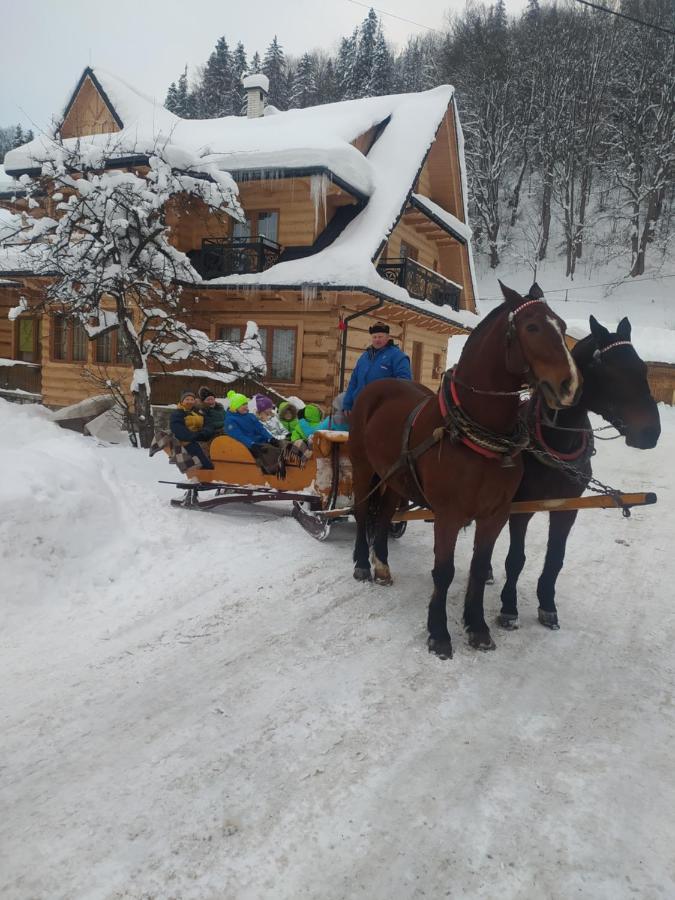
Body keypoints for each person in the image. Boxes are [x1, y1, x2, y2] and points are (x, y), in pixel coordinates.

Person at [342, 322, 412, 414]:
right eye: (374, 337)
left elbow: (404, 382)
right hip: (360, 406)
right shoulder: (364, 357)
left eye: (380, 337)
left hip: (382, 409)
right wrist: (347, 404)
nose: (377, 340)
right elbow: (354, 381)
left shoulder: (397, 356)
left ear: (387, 337)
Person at [224, 390, 287, 475]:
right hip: (248, 445)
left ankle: (294, 463)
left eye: (246, 404)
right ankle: (274, 471)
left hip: (259, 441)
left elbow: (260, 429)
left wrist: (270, 438)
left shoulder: (250, 416)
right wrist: (252, 444)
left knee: (282, 444)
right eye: (243, 405)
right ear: (235, 407)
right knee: (270, 450)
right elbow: (238, 436)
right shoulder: (231, 420)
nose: (246, 407)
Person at [169, 390, 214, 470]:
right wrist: (197, 435)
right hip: (186, 441)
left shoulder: (198, 412)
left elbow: (208, 423)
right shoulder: (177, 414)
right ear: (182, 401)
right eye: (187, 399)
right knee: (203, 459)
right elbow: (179, 430)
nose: (190, 401)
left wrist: (205, 432)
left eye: (192, 399)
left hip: (201, 437)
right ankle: (205, 474)